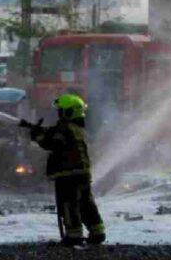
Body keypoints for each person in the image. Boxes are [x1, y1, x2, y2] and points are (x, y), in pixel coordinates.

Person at [22, 94, 106, 246]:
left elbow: (53, 144)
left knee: (68, 204)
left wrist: (38, 136)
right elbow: (55, 134)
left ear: (68, 112)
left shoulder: (65, 128)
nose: (59, 113)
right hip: (82, 173)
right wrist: (40, 130)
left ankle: (74, 235)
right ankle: (97, 232)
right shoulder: (76, 128)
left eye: (61, 110)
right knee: (86, 203)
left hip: (68, 174)